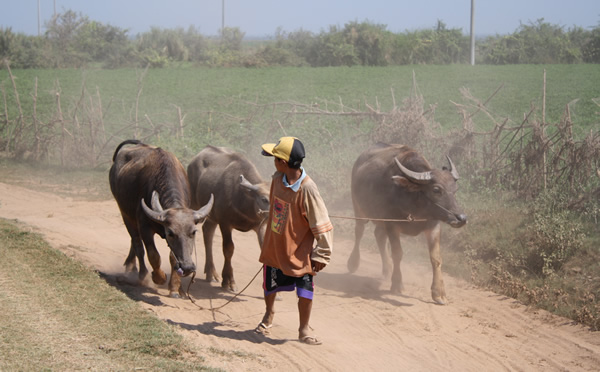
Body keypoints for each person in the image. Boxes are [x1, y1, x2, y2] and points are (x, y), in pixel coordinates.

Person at [256, 136, 333, 345]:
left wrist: (322, 254)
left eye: (274, 158)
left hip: (300, 250)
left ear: (282, 162)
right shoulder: (276, 179)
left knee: (305, 289)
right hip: (276, 244)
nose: (273, 161)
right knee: (269, 286)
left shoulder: (308, 189)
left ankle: (303, 329)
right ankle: (268, 315)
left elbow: (322, 223)